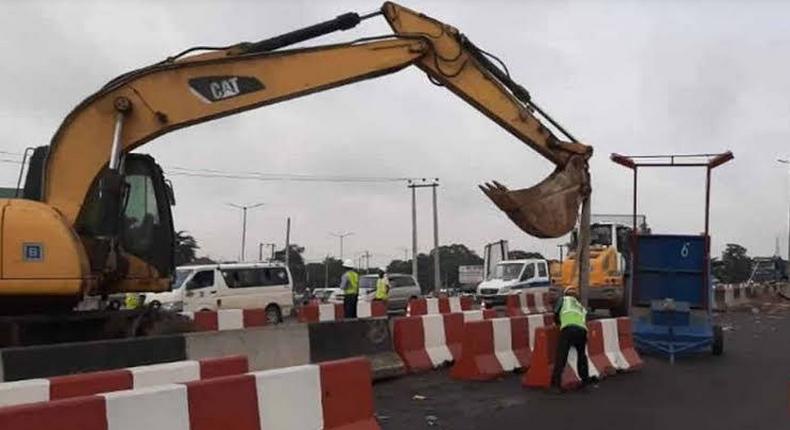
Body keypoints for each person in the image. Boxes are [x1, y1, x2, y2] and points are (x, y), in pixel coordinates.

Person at [551, 286, 592, 392]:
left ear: (566, 294)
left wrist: (558, 323)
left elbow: (556, 313)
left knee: (561, 356)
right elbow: (584, 320)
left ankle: (555, 385)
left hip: (568, 329)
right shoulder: (580, 306)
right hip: (582, 331)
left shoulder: (563, 300)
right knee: (582, 356)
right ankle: (585, 382)